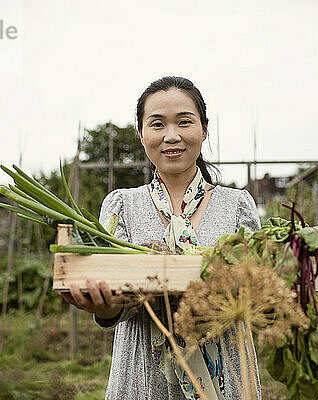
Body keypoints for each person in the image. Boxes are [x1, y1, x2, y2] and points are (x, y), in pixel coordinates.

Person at [60, 76, 261, 399]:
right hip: (141, 380)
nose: (171, 136)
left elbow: (258, 295)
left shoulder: (237, 205)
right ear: (141, 134)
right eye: (157, 124)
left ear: (204, 130)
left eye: (184, 122)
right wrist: (106, 307)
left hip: (227, 380)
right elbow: (117, 302)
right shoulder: (121, 204)